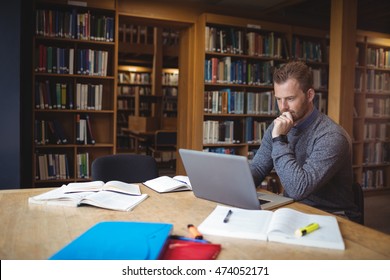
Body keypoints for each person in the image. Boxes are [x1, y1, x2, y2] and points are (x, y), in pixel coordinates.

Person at [249, 61, 360, 221]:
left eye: (290, 99)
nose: (283, 107)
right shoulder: (277, 126)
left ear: (309, 95)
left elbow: (298, 188)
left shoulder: (332, 136)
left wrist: (279, 140)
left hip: (332, 217)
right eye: (279, 99)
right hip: (293, 209)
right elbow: (259, 168)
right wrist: (231, 185)